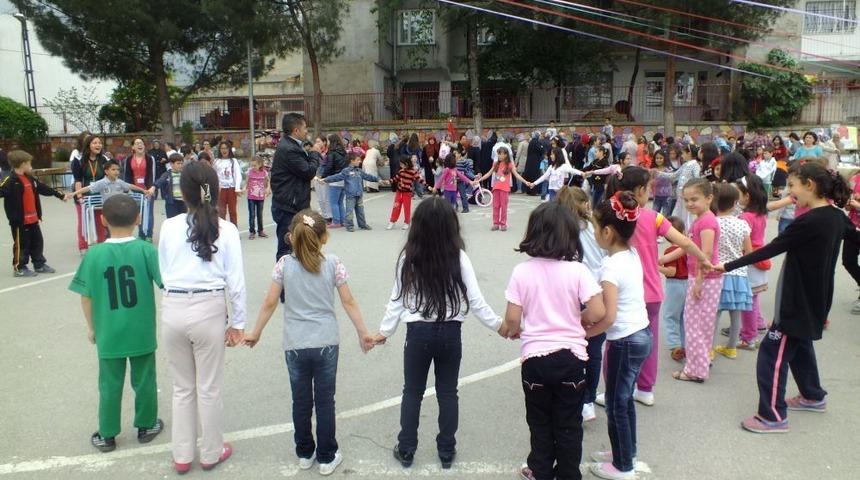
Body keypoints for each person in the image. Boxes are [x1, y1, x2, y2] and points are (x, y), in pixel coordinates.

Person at [716, 162, 855, 433]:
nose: (790, 192)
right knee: (800, 346)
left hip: (796, 304)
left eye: (793, 186)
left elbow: (770, 249)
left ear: (810, 186)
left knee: (771, 353)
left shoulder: (808, 221)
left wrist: (728, 265)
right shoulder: (837, 217)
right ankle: (813, 396)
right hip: (816, 302)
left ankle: (772, 417)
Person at [372, 197, 504, 470]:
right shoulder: (459, 256)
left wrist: (384, 331)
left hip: (417, 333)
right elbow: (476, 300)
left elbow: (396, 298)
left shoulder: (409, 257)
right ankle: (446, 449)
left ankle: (407, 448)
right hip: (450, 333)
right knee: (447, 392)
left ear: (417, 227)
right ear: (451, 226)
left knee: (412, 392)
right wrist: (499, 326)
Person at [244, 209, 374, 476]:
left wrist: (255, 332)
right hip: (326, 343)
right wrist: (363, 333)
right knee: (326, 401)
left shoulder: (283, 265)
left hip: (295, 344)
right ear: (324, 238)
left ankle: (305, 452)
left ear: (290, 237)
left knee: (300, 401)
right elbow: (348, 301)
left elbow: (270, 302)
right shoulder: (333, 263)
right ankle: (327, 456)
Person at [502, 202, 606, 480]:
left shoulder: (522, 271)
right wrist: (579, 319)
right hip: (571, 358)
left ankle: (540, 470)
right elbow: (598, 311)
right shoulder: (577, 271)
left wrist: (514, 330)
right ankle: (569, 474)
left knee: (539, 421)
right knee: (569, 424)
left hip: (535, 359)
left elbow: (512, 318)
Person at [593, 167, 710, 407]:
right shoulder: (653, 216)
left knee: (615, 342)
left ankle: (613, 389)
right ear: (638, 191)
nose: (651, 193)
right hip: (653, 293)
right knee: (649, 342)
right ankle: (645, 389)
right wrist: (704, 260)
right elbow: (684, 241)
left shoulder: (614, 217)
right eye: (648, 188)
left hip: (624, 293)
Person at [158, 161, 246, 473]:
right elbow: (236, 283)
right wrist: (238, 323)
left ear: (182, 192)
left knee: (182, 388)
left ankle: (182, 455)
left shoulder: (169, 226)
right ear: (216, 189)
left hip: (173, 307)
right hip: (209, 309)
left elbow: (164, 271)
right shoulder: (228, 230)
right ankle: (210, 451)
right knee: (209, 387)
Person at [68, 195, 164, 452]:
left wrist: (91, 327)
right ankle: (146, 425)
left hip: (109, 331)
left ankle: (107, 433)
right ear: (138, 218)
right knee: (144, 379)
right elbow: (166, 284)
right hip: (141, 330)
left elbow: (86, 297)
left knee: (109, 383)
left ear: (102, 220)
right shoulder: (146, 250)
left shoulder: (94, 254)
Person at [588, 191, 652, 480]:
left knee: (616, 403)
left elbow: (608, 315)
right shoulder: (630, 253)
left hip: (625, 341)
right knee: (624, 401)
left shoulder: (611, 266)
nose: (592, 232)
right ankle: (626, 452)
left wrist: (585, 333)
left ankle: (623, 466)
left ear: (607, 231)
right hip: (640, 334)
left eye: (593, 227)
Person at [556, 186, 607, 423]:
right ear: (584, 204)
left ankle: (572, 394)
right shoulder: (597, 226)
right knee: (593, 349)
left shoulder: (562, 230)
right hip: (599, 289)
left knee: (571, 345)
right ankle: (588, 400)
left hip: (574, 290)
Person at [672, 179, 721, 383]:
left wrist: (700, 280)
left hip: (704, 279)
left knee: (694, 325)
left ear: (709, 198)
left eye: (695, 199)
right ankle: (701, 361)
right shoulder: (701, 219)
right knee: (701, 325)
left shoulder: (707, 221)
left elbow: (706, 253)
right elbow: (689, 246)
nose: (690, 204)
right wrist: (664, 258)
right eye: (686, 200)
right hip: (704, 278)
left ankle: (695, 370)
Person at [0, 150, 69, 277]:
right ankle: (19, 267)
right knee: (22, 245)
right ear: (22, 164)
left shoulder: (29, 178)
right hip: (19, 221)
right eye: (29, 163)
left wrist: (60, 195)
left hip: (33, 218)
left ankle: (39, 264)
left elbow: (43, 188)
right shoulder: (10, 180)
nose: (31, 165)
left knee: (37, 242)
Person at [711, 183, 753, 360]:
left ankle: (709, 349)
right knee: (736, 314)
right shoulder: (742, 224)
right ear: (735, 202)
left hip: (717, 272)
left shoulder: (711, 223)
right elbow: (749, 253)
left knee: (714, 313)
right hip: (739, 274)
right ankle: (731, 348)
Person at [271, 113, 320, 263]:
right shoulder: (289, 149)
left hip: (292, 204)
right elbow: (308, 171)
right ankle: (283, 283)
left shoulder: (290, 145)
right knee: (287, 247)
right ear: (295, 130)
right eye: (305, 128)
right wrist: (314, 153)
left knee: (298, 244)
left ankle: (296, 281)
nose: (307, 131)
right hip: (289, 207)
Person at [734, 175, 770, 346]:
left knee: (747, 300)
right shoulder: (761, 213)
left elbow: (741, 241)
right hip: (759, 257)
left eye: (738, 193)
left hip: (748, 260)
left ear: (747, 196)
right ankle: (758, 323)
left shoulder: (745, 217)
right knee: (754, 297)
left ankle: (748, 336)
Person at [474, 146, 531, 231]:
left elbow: (517, 175)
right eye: (498, 154)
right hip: (496, 188)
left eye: (501, 154)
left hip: (504, 189)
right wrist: (480, 179)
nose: (499, 156)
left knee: (504, 207)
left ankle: (503, 223)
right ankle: (495, 223)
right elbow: (488, 173)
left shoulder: (510, 165)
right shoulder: (495, 164)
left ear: (505, 155)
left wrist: (526, 182)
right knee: (495, 206)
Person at [322, 152, 378, 232]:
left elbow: (367, 176)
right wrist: (326, 179)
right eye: (358, 160)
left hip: (359, 195)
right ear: (352, 161)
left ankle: (362, 224)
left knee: (360, 211)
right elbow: (337, 177)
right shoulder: (346, 171)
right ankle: (349, 226)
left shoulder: (359, 171)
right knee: (349, 212)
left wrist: (378, 180)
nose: (360, 161)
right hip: (350, 196)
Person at [658, 216, 688, 361]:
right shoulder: (687, 249)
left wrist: (656, 267)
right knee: (683, 317)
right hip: (688, 283)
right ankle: (685, 344)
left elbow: (671, 272)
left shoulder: (670, 251)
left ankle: (675, 345)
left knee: (670, 316)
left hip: (675, 285)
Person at [71, 135, 109, 252]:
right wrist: (79, 197)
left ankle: (101, 245)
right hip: (84, 195)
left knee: (100, 222)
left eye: (99, 143)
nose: (98, 145)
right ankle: (83, 246)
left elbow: (108, 178)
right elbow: (77, 180)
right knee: (83, 221)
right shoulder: (78, 160)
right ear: (88, 145)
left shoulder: (104, 160)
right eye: (95, 143)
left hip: (99, 195)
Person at [653, 144, 701, 231]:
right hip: (681, 196)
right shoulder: (685, 165)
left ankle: (688, 232)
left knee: (687, 216)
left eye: (683, 153)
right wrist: (659, 173)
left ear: (689, 153)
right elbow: (674, 175)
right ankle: (681, 231)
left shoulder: (695, 165)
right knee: (680, 214)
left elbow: (697, 179)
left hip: (688, 196)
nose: (682, 155)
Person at [70, 160, 153, 201]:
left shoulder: (119, 182)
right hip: (108, 210)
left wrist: (143, 190)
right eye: (113, 170)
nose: (116, 172)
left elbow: (130, 186)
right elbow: (88, 188)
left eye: (118, 170)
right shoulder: (102, 183)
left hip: (120, 208)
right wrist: (74, 193)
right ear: (106, 171)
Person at [122, 139, 155, 241]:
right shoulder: (128, 160)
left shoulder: (150, 159)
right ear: (133, 147)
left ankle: (148, 234)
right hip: (134, 189)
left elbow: (152, 175)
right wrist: (128, 190)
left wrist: (150, 189)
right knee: (138, 212)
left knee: (148, 213)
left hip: (147, 189)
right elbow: (126, 175)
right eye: (137, 143)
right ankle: (141, 233)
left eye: (142, 143)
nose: (140, 145)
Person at [388, 157, 430, 230]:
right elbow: (396, 178)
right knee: (396, 207)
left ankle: (406, 222)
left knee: (406, 208)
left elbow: (419, 179)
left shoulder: (413, 172)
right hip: (399, 192)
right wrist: (389, 181)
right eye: (400, 164)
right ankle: (392, 221)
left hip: (407, 193)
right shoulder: (401, 171)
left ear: (406, 164)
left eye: (402, 164)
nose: (401, 166)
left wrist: (427, 186)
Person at [213, 141, 243, 227]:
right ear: (219, 150)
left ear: (229, 149)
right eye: (222, 148)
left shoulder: (233, 161)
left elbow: (238, 175)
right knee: (221, 211)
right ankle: (222, 230)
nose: (224, 150)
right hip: (221, 189)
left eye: (226, 148)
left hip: (231, 189)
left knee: (232, 211)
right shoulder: (216, 161)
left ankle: (234, 230)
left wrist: (237, 188)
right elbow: (214, 175)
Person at [323, 133, 348, 229]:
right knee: (340, 202)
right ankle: (343, 221)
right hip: (343, 178)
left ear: (331, 141)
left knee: (333, 202)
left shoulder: (332, 152)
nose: (327, 142)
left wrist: (324, 176)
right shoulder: (343, 151)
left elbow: (329, 166)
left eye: (328, 140)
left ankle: (336, 221)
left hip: (334, 179)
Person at [844, 170, 860, 314]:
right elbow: (848, 205)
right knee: (848, 261)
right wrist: (849, 204)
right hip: (852, 227)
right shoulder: (855, 178)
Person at [153, 154, 187, 218]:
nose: (180, 165)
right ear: (171, 164)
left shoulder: (185, 174)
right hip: (171, 203)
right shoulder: (167, 174)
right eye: (178, 163)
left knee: (183, 222)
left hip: (183, 203)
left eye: (181, 163)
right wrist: (153, 187)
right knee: (171, 222)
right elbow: (160, 181)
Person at [246, 155, 271, 239]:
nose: (253, 167)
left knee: (259, 214)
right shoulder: (250, 171)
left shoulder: (264, 172)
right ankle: (252, 231)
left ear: (260, 164)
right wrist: (243, 189)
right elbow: (246, 182)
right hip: (251, 197)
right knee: (252, 214)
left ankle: (260, 231)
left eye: (255, 165)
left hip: (260, 197)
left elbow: (268, 181)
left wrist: (268, 188)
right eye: (252, 165)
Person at [651, 151, 672, 217]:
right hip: (656, 196)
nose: (658, 160)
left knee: (665, 216)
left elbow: (671, 179)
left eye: (661, 158)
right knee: (654, 215)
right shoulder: (653, 170)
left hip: (667, 196)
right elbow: (650, 181)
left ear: (664, 159)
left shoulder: (668, 169)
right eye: (657, 158)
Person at [454, 148, 475, 212]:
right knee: (453, 195)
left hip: (461, 181)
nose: (454, 155)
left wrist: (473, 176)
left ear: (459, 154)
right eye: (454, 153)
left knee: (463, 195)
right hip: (454, 181)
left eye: (456, 153)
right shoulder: (452, 161)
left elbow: (467, 170)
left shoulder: (464, 161)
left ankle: (466, 208)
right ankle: (455, 206)